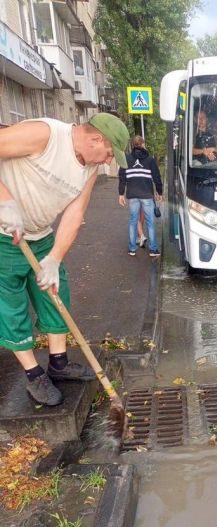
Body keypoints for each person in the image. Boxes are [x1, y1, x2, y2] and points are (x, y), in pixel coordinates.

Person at [0, 113, 129, 406]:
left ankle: (58, 363)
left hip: (40, 234)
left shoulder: (89, 168)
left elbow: (75, 213)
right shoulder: (44, 135)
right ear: (96, 138)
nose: (108, 161)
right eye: (109, 153)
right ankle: (33, 375)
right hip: (3, 237)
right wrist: (4, 200)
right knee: (11, 306)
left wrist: (55, 258)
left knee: (55, 294)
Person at [118, 135, 163, 257]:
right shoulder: (150, 160)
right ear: (143, 144)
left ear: (132, 145)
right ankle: (153, 250)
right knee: (150, 222)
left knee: (133, 221)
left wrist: (121, 194)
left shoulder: (126, 159)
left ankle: (132, 248)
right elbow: (157, 178)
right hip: (146, 195)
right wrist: (160, 192)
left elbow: (122, 177)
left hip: (132, 195)